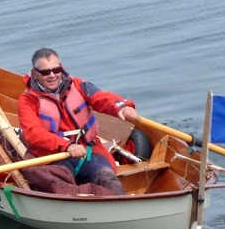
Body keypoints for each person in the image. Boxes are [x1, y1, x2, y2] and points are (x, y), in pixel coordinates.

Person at [17, 47, 138, 195]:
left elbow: (102, 97)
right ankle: (83, 202)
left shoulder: (78, 85)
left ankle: (119, 205)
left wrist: (123, 107)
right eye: (45, 72)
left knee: (107, 177)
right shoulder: (27, 100)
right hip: (52, 157)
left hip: (88, 151)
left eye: (56, 70)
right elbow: (33, 134)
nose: (52, 75)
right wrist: (67, 146)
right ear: (35, 74)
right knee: (55, 184)